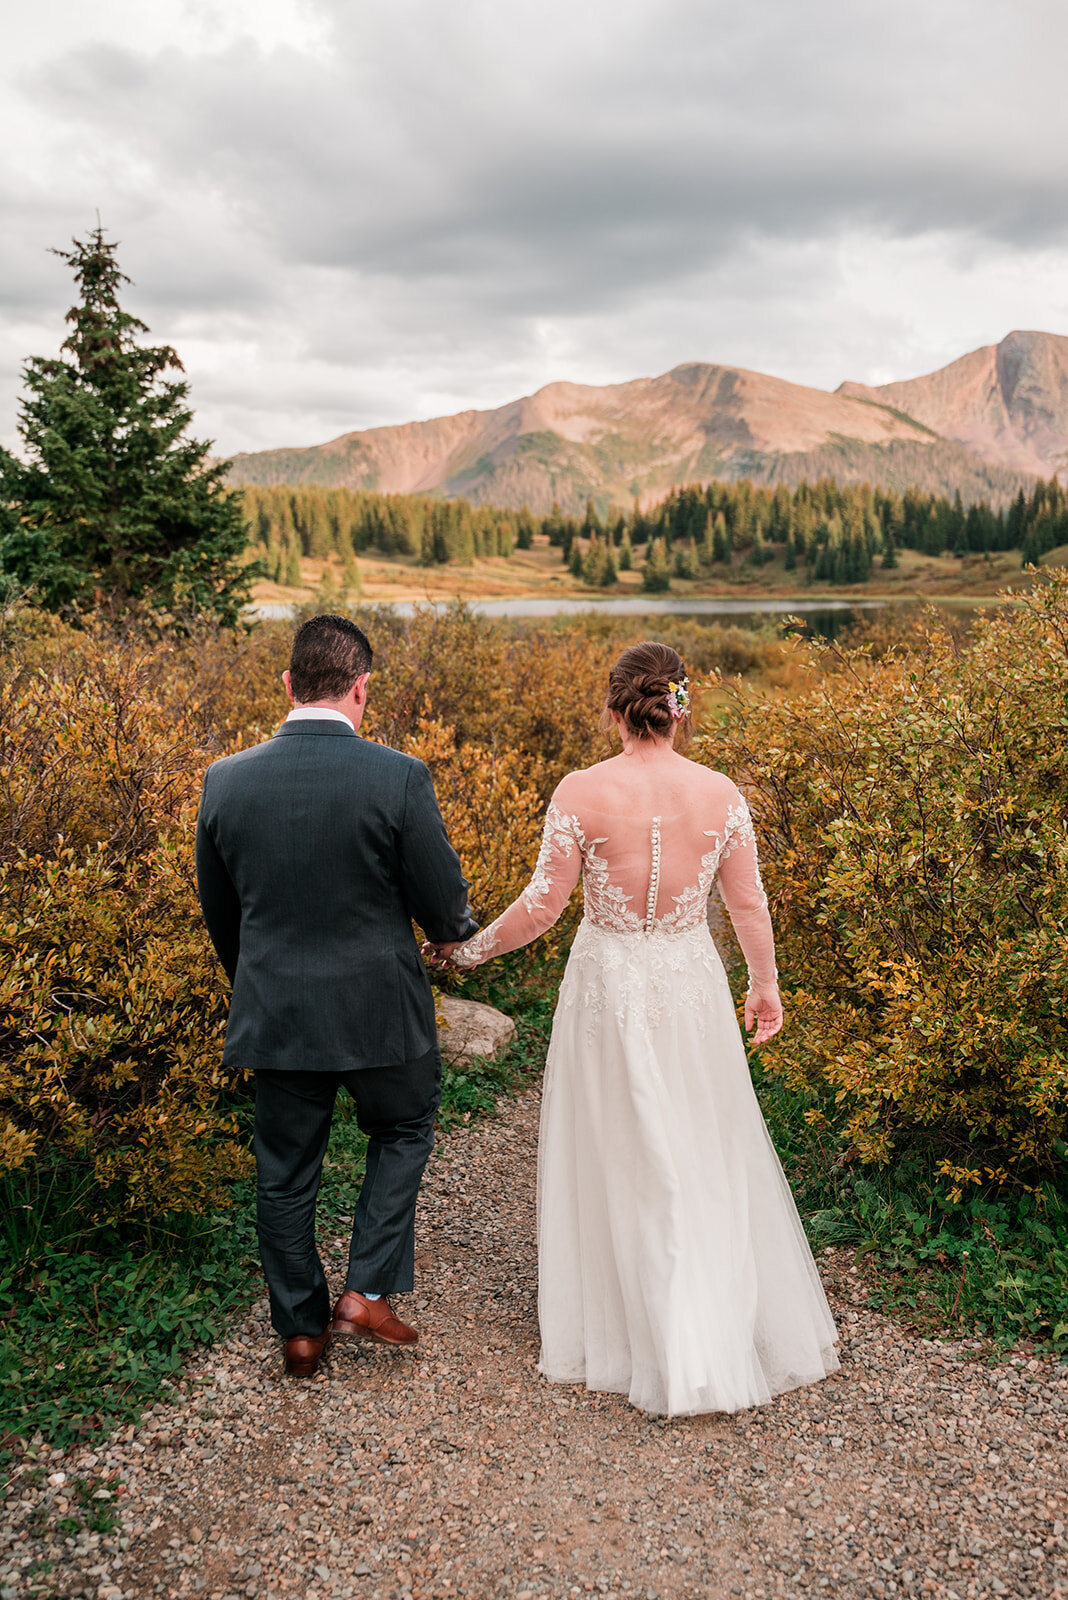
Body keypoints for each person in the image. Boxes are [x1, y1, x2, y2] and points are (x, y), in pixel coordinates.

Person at [426, 641, 839, 1416]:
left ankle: (633, 1323)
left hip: (610, 985)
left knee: (620, 1143)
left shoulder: (582, 791)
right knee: (698, 1139)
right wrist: (766, 986)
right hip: (688, 984)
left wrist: (468, 952)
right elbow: (748, 906)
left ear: (615, 708)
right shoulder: (720, 793)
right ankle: (704, 1317)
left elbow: (544, 906)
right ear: (679, 708)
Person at [196, 614, 477, 1378]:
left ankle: (300, 1331)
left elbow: (223, 916)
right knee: (405, 1126)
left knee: (284, 1172)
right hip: (381, 1010)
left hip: (277, 1011)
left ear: (287, 685)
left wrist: (261, 983)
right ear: (362, 688)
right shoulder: (398, 776)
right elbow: (444, 906)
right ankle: (366, 1291)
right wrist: (454, 933)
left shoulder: (225, 779)